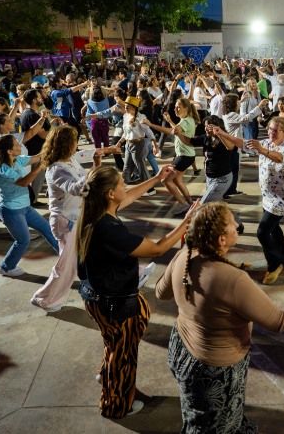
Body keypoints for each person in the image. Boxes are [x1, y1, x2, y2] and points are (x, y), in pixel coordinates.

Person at [156, 202, 284, 432]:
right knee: (215, 427)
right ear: (220, 240)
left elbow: (160, 292)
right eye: (232, 222)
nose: (237, 224)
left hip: (181, 352)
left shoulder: (185, 255)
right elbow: (280, 322)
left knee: (196, 413)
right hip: (213, 373)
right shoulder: (232, 279)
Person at [76, 166, 196, 419]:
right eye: (121, 184)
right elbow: (156, 249)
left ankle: (106, 375)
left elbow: (129, 196)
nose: (125, 188)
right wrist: (186, 222)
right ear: (110, 193)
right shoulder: (109, 229)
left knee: (115, 347)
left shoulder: (94, 211)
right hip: (116, 305)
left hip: (99, 298)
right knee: (124, 357)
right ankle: (116, 405)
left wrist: (157, 178)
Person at [30, 126, 120, 313]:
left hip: (77, 218)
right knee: (66, 267)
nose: (76, 145)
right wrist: (95, 168)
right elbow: (75, 188)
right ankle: (44, 299)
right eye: (74, 141)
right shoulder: (56, 169)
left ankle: (133, 274)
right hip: (66, 223)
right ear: (66, 145)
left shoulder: (70, 159)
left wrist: (106, 150)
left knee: (98, 251)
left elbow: (85, 154)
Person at [213, 116, 284, 284]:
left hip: (281, 199)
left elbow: (278, 158)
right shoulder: (265, 143)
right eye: (269, 129)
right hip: (268, 196)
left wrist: (262, 150)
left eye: (275, 130)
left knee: (263, 232)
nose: (270, 133)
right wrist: (222, 133)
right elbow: (242, 143)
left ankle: (274, 265)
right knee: (274, 228)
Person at [0, 134, 59, 277]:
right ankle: (6, 267)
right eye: (17, 145)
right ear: (9, 151)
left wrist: (51, 144)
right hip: (11, 211)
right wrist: (39, 168)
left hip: (25, 208)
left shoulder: (17, 160)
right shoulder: (2, 169)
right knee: (23, 241)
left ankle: (66, 258)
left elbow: (38, 157)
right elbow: (24, 182)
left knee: (47, 229)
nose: (20, 146)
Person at [142, 98, 199, 215]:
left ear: (186, 108)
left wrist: (151, 124)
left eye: (178, 107)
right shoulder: (188, 120)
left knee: (165, 180)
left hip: (184, 156)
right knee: (177, 180)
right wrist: (169, 120)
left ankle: (183, 204)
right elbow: (176, 130)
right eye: (175, 107)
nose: (175, 109)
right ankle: (190, 204)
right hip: (188, 155)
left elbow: (170, 131)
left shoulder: (184, 122)